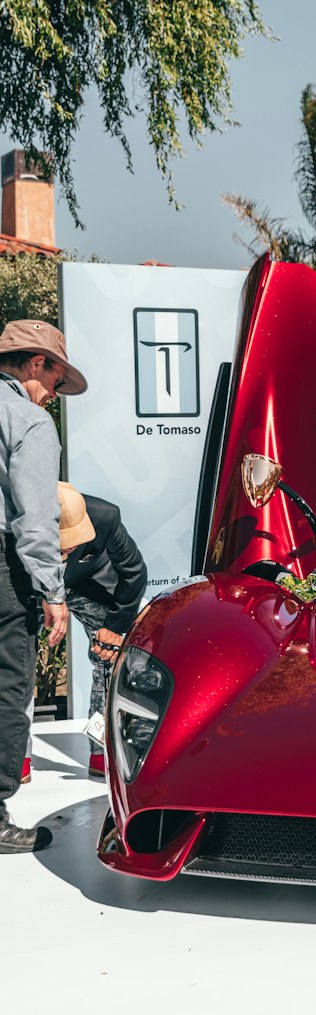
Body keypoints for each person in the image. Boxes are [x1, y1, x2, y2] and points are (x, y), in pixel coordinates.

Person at [0, 318, 87, 852]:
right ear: (36, 364)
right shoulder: (27, 419)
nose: (53, 396)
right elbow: (35, 521)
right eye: (55, 383)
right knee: (10, 685)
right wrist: (53, 593)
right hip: (3, 569)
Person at [57, 484, 148, 776]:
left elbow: (134, 570)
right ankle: (15, 760)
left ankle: (103, 752)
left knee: (113, 660)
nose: (72, 546)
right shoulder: (11, 520)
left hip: (90, 585)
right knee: (16, 665)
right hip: (31, 586)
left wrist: (114, 626)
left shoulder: (105, 515)